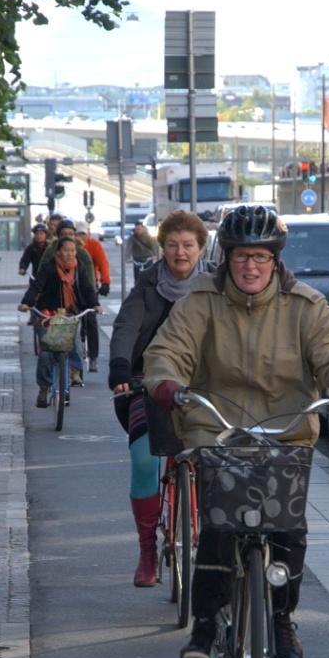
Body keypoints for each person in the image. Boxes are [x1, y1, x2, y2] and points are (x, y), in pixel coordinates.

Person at [144, 204, 329, 658]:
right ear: (226, 258)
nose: (251, 266)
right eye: (242, 256)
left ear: (276, 261)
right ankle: (206, 625)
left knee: (290, 529)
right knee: (219, 528)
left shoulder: (305, 306)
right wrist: (167, 382)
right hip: (218, 428)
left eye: (261, 257)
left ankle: (282, 616)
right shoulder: (201, 301)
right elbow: (169, 350)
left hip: (285, 430)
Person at [108, 211, 211, 587]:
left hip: (204, 381)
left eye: (188, 245)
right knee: (143, 458)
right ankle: (148, 550)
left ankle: (215, 540)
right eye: (172, 245)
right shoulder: (148, 282)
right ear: (161, 248)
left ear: (201, 247)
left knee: (220, 458)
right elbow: (127, 325)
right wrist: (120, 367)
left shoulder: (217, 285)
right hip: (147, 379)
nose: (180, 253)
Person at [18, 234, 99, 407]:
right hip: (48, 314)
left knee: (75, 343)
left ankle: (74, 371)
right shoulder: (48, 268)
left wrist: (96, 305)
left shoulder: (79, 268)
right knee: (47, 352)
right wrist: (26, 303)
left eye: (72, 251)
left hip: (69, 314)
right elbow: (36, 287)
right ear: (58, 252)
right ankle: (44, 388)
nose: (69, 254)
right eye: (65, 251)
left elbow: (87, 288)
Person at [74, 222, 110, 372]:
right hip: (72, 290)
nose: (80, 237)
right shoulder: (69, 247)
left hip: (90, 287)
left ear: (87, 234)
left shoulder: (93, 245)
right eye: (78, 234)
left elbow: (103, 263)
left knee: (91, 321)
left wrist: (105, 282)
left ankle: (93, 356)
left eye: (83, 234)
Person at [129, 220, 158, 285]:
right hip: (137, 259)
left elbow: (153, 245)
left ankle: (148, 289)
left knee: (148, 275)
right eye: (137, 229)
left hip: (147, 258)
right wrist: (127, 257)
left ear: (142, 228)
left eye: (139, 229)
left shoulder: (148, 236)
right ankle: (137, 289)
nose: (138, 231)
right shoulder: (133, 237)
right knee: (136, 276)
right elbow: (129, 247)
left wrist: (155, 255)